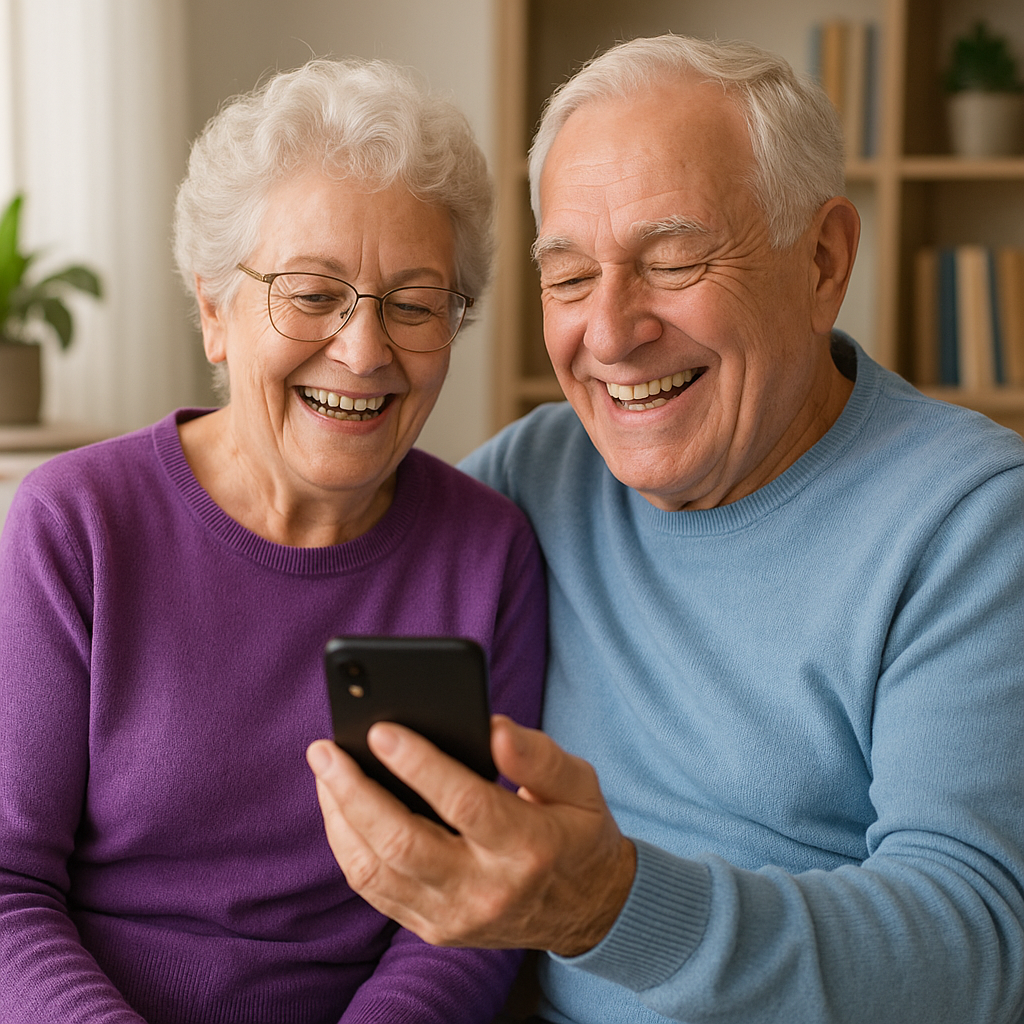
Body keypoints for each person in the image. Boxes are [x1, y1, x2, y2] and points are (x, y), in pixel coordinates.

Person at [305, 34, 1024, 1024]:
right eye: (568, 278)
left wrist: (612, 906)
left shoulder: (971, 522)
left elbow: (977, 948)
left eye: (675, 260)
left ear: (822, 262)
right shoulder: (533, 475)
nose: (608, 333)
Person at [0, 58, 546, 1024]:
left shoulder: (489, 553)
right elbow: (9, 889)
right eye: (311, 292)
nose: (365, 351)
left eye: (414, 303)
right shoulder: (76, 526)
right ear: (214, 310)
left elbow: (470, 903)